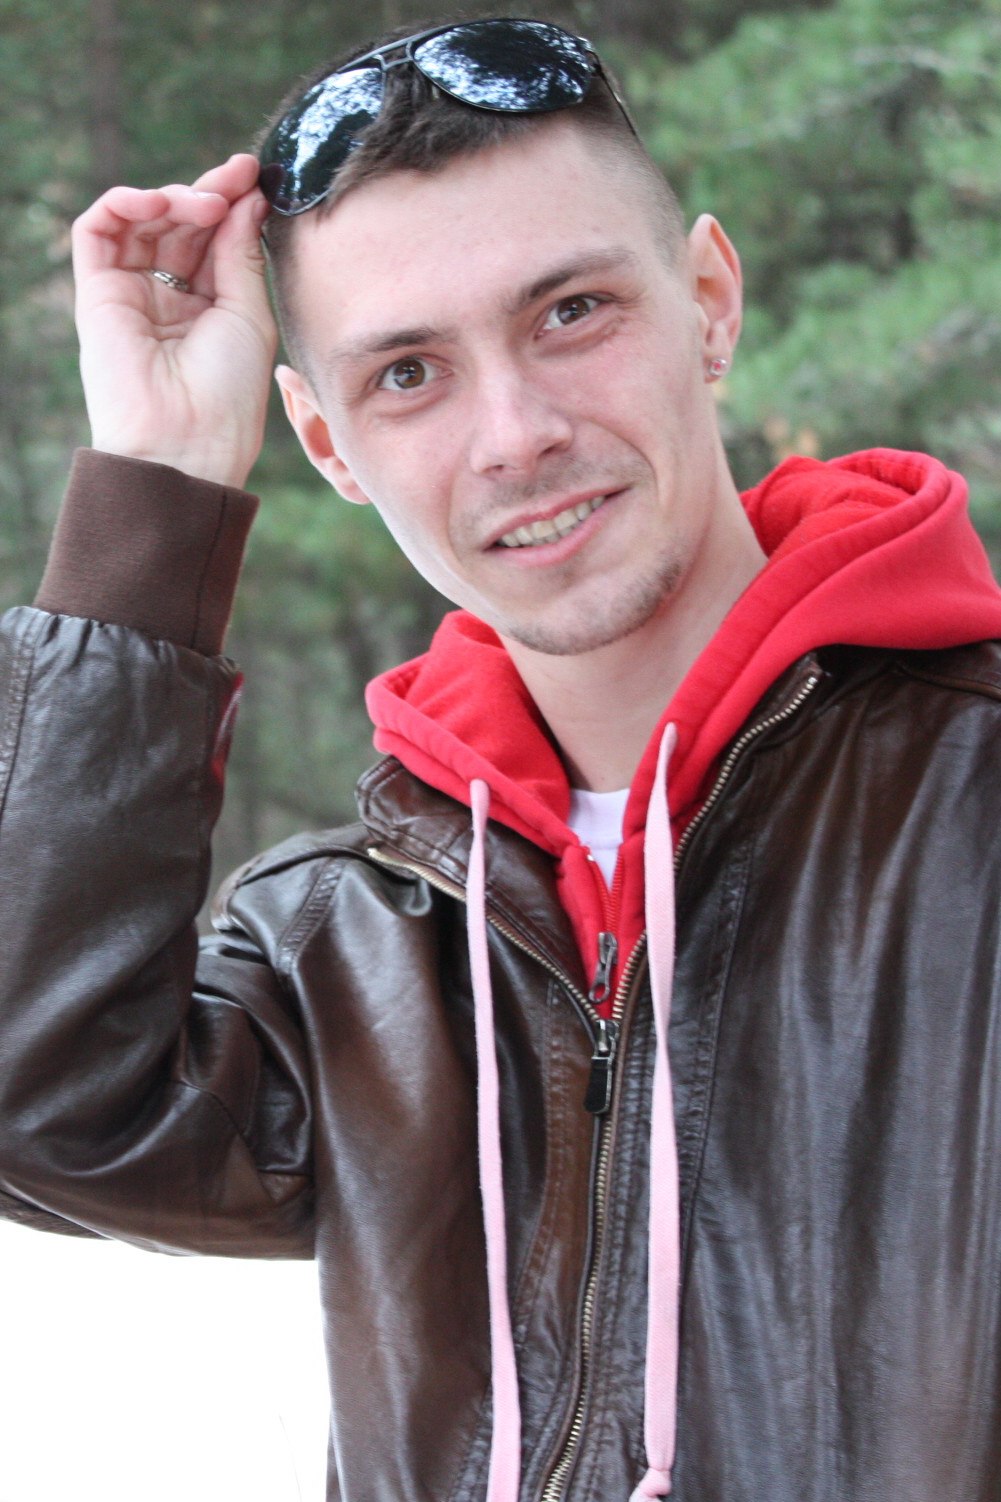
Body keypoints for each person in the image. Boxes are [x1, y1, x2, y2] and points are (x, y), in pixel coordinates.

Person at [2, 16, 1001, 1501]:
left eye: (571, 312)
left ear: (709, 302)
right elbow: (46, 1105)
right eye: (408, 373)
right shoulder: (355, 934)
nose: (516, 434)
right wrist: (157, 484)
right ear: (325, 445)